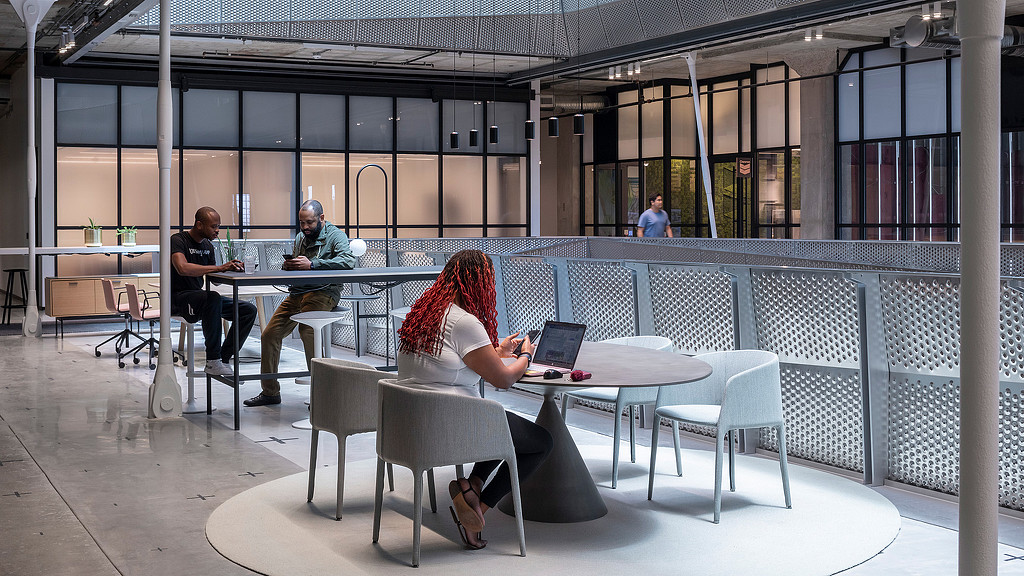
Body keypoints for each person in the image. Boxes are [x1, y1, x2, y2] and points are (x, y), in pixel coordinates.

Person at [396, 249, 552, 550]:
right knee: (540, 442)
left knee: (499, 423)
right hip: (452, 427)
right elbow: (504, 380)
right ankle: (480, 508)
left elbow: (451, 358)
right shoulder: (465, 322)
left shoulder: (424, 314)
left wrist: (498, 351)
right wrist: (525, 355)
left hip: (413, 423)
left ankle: (473, 486)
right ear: (480, 283)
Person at [244, 199, 356, 407]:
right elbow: (300, 265)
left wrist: (313, 264)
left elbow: (348, 261)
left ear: (321, 218)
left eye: (310, 223)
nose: (305, 227)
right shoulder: (300, 237)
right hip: (298, 293)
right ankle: (270, 392)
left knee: (308, 331)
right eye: (302, 223)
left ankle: (322, 396)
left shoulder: (336, 235)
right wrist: (291, 265)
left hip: (323, 293)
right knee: (269, 335)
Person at [170, 207, 258, 376]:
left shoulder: (208, 246)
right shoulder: (178, 240)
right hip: (178, 299)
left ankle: (223, 359)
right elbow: (182, 268)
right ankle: (213, 359)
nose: (217, 230)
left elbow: (214, 280)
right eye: (214, 226)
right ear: (199, 225)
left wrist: (229, 269)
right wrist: (219, 267)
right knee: (213, 298)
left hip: (202, 300)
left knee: (248, 311)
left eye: (219, 226)